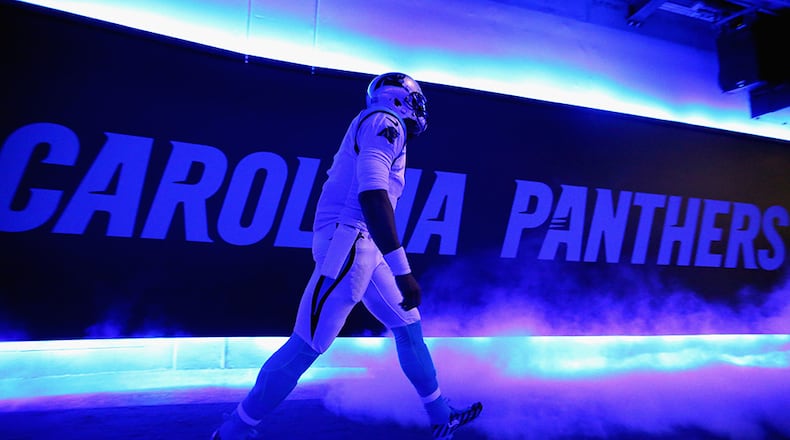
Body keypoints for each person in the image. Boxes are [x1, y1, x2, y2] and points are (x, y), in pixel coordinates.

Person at [212, 72, 482, 440]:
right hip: (350, 243)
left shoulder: (380, 122)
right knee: (306, 345)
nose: (420, 110)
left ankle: (440, 415)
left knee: (408, 325)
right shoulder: (385, 122)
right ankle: (233, 430)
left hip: (360, 243)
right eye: (416, 101)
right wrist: (403, 270)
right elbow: (372, 195)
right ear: (400, 100)